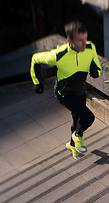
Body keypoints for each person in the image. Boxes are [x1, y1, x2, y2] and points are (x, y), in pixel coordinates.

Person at [30, 21, 101, 160]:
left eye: (85, 38)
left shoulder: (90, 47)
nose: (84, 43)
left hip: (80, 91)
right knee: (88, 118)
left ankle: (72, 145)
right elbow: (35, 59)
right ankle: (78, 136)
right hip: (65, 93)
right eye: (79, 40)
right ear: (69, 40)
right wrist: (37, 82)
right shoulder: (58, 55)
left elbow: (95, 61)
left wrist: (95, 68)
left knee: (77, 120)